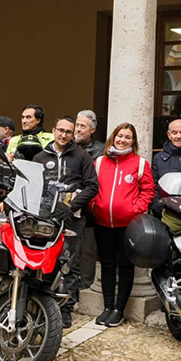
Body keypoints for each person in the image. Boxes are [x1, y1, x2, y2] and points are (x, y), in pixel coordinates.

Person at [31, 117, 99, 327]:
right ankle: (44, 304)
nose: (64, 135)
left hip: (72, 219)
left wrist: (72, 206)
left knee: (70, 264)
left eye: (68, 132)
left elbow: (92, 186)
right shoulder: (40, 157)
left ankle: (66, 308)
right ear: (53, 130)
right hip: (45, 219)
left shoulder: (82, 156)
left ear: (72, 135)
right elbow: (32, 185)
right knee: (46, 262)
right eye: (60, 130)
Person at [88, 122, 155, 328]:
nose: (122, 140)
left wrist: (136, 208)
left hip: (128, 225)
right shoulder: (99, 162)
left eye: (127, 137)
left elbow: (148, 190)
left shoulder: (140, 163)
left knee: (125, 267)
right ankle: (107, 307)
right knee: (107, 265)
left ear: (133, 141)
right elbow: (91, 186)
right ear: (113, 137)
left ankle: (119, 310)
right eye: (120, 136)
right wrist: (94, 206)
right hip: (102, 223)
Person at [74, 109, 105, 294]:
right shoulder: (67, 146)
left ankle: (84, 288)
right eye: (77, 125)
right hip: (68, 207)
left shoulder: (100, 151)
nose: (78, 130)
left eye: (82, 126)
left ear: (92, 130)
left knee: (87, 252)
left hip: (89, 209)